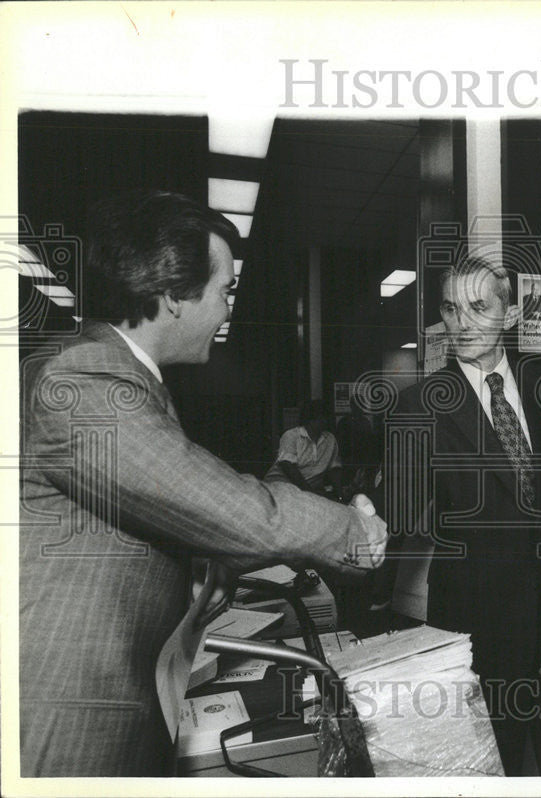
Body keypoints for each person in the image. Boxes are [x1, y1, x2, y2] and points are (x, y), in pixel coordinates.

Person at [19, 190, 386, 777]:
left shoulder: (121, 376)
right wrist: (352, 529)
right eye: (225, 291)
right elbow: (219, 505)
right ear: (173, 296)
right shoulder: (83, 377)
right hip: (69, 713)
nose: (228, 311)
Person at [384, 256, 541, 776]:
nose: (461, 323)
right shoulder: (420, 405)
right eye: (450, 308)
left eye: (478, 307)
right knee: (486, 768)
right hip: (477, 627)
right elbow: (397, 511)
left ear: (508, 315)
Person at [266, 398, 343, 496]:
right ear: (309, 419)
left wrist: (340, 495)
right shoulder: (291, 436)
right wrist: (310, 494)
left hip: (306, 494)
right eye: (320, 417)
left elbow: (334, 468)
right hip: (277, 491)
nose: (325, 421)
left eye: (326, 417)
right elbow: (288, 466)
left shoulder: (330, 439)